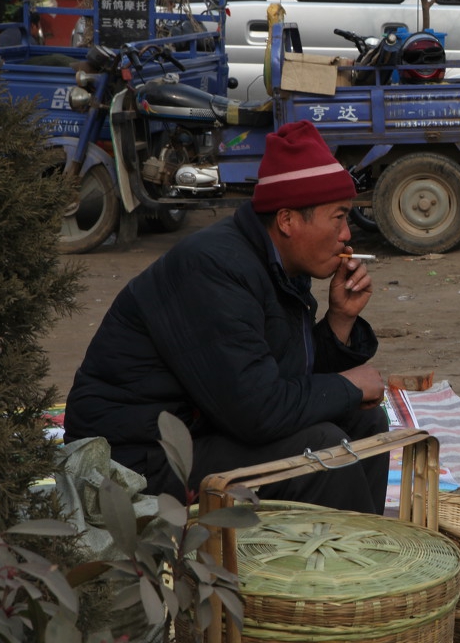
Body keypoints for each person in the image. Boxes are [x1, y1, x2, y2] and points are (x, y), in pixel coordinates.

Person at [65, 121, 392, 512]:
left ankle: (369, 551)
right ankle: (342, 567)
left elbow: (284, 377)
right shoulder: (213, 267)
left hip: (204, 428)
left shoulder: (278, 266)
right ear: (288, 221)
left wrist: (340, 321)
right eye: (338, 218)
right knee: (323, 453)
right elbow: (257, 411)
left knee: (366, 426)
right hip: (133, 460)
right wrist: (349, 386)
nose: (346, 235)